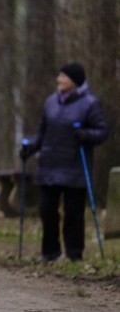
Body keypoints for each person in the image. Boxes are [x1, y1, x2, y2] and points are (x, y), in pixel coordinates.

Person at [20, 62, 108, 262]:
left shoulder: (90, 103)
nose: (59, 80)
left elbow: (102, 131)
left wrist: (85, 134)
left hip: (75, 166)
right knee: (47, 210)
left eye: (63, 77)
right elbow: (42, 134)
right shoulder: (51, 102)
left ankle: (74, 254)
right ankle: (50, 253)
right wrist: (29, 147)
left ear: (74, 81)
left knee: (73, 214)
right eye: (59, 76)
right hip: (49, 166)